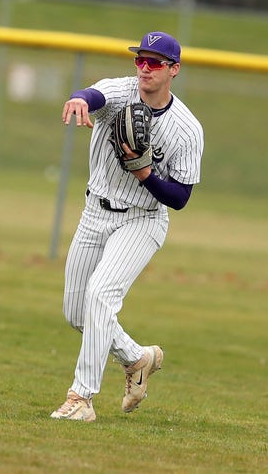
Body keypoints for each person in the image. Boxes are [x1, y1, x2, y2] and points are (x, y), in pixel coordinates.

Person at [50, 31, 204, 422]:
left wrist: (145, 172)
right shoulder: (121, 92)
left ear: (174, 70)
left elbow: (180, 197)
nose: (144, 68)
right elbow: (94, 95)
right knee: (77, 313)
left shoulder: (187, 128)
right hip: (95, 211)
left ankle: (80, 398)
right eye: (140, 60)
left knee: (100, 296)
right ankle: (137, 358)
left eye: (154, 62)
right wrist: (78, 99)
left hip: (142, 219)